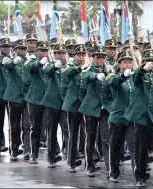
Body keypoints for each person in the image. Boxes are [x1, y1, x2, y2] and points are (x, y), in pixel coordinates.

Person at [124, 49, 153, 187]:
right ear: (143, 62)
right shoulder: (139, 73)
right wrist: (142, 69)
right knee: (141, 149)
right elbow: (136, 78)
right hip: (142, 117)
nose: (151, 63)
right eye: (147, 61)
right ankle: (140, 176)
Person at [79, 46, 113, 177]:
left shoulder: (109, 69)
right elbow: (87, 77)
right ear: (93, 58)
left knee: (106, 137)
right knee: (90, 137)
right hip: (92, 107)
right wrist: (95, 76)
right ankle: (89, 164)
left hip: (105, 108)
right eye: (98, 57)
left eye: (103, 57)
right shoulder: (89, 68)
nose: (101, 59)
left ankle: (110, 167)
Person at [108, 50, 135, 183]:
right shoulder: (115, 77)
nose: (128, 64)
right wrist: (123, 76)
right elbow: (114, 83)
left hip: (132, 119)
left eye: (130, 62)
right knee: (115, 146)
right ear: (119, 64)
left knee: (134, 146)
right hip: (118, 118)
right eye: (125, 62)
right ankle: (114, 172)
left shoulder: (135, 78)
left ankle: (138, 174)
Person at [62, 44, 90, 173]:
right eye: (78, 55)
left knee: (89, 132)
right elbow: (68, 73)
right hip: (73, 105)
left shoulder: (88, 68)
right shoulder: (70, 67)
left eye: (83, 55)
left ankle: (91, 160)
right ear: (74, 56)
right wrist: (79, 69)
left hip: (85, 104)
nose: (81, 57)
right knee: (73, 133)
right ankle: (71, 162)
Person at [41, 43, 68, 168]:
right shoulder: (50, 65)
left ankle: (70, 153)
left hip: (65, 103)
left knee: (67, 128)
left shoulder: (68, 66)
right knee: (52, 130)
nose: (61, 55)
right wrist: (54, 67)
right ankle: (51, 157)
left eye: (63, 53)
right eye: (58, 53)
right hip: (52, 103)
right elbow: (47, 71)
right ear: (54, 54)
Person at [3, 39, 30, 161]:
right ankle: (14, 149)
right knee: (14, 126)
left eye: (24, 49)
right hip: (14, 98)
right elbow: (7, 65)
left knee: (27, 125)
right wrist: (14, 62)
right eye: (20, 49)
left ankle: (27, 150)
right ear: (15, 50)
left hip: (27, 98)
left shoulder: (29, 61)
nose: (23, 51)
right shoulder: (10, 60)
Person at [24, 41, 50, 164]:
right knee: (35, 127)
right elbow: (30, 67)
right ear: (37, 51)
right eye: (42, 50)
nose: (44, 53)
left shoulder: (52, 62)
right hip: (35, 99)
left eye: (46, 50)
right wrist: (39, 63)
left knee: (50, 127)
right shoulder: (31, 60)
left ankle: (53, 155)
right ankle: (33, 154)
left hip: (49, 100)